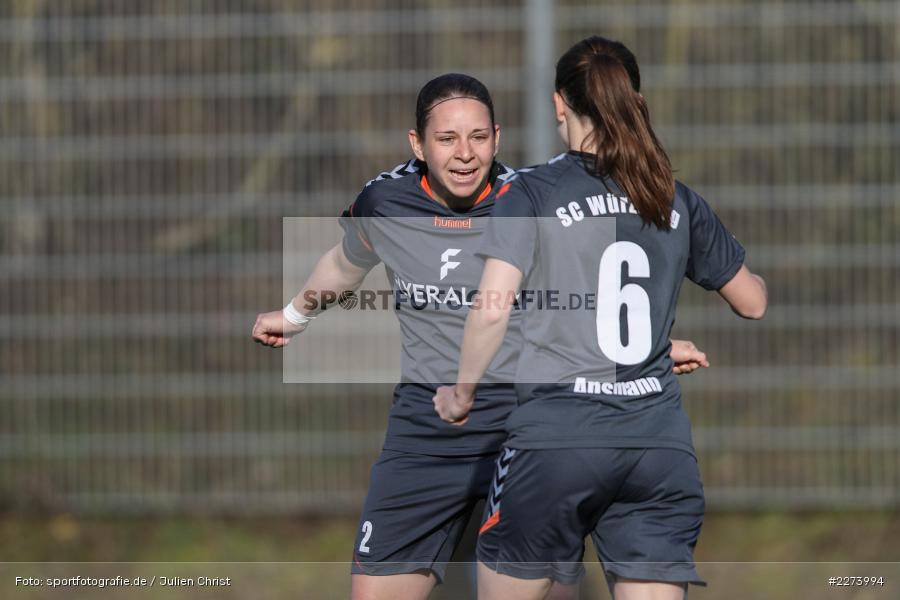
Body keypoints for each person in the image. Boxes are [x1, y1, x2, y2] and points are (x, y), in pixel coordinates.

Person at [252, 73, 710, 600]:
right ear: (417, 145)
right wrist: (295, 314)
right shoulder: (386, 202)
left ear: (497, 137)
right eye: (447, 139)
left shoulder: (531, 200)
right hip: (427, 428)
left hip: (526, 426)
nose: (465, 154)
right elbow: (344, 263)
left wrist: (648, 349)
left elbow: (589, 297)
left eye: (478, 138)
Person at [433, 36, 767, 600]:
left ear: (559, 104)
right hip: (657, 449)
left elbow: (492, 309)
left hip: (556, 442)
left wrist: (461, 393)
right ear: (632, 102)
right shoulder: (672, 196)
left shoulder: (530, 193)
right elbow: (752, 302)